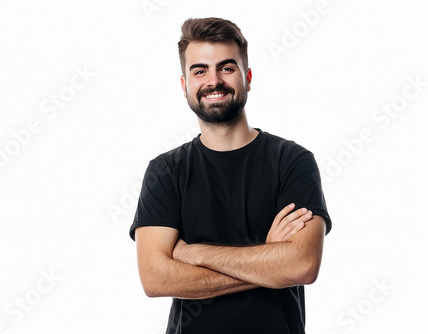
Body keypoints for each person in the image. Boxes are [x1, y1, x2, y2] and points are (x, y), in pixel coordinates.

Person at [129, 17, 332, 334]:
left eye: (227, 67)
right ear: (185, 86)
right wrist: (267, 259)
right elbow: (156, 279)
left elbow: (301, 265)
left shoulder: (293, 161)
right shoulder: (165, 171)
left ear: (247, 77)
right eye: (200, 70)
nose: (214, 80)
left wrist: (192, 253)